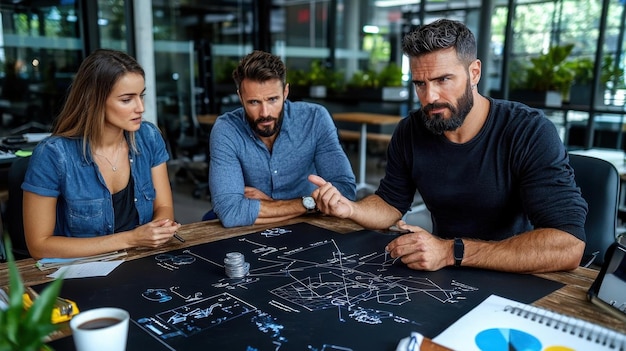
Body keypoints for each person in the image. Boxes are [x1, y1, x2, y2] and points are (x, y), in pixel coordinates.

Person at [310, 19, 588, 274]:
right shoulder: (410, 130)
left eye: (443, 80)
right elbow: (390, 203)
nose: (430, 97)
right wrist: (350, 209)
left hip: (515, 270)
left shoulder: (528, 131)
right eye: (420, 84)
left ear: (474, 73)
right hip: (444, 270)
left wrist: (451, 251)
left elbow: (568, 244)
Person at [22, 48, 181, 259]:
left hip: (142, 259)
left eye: (141, 96)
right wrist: (132, 238)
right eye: (127, 99)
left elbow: (164, 206)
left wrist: (157, 231)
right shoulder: (53, 154)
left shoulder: (148, 136)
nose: (141, 107)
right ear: (94, 101)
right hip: (79, 271)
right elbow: (39, 246)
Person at [209, 50, 356, 228]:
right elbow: (231, 212)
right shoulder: (227, 129)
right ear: (240, 97)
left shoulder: (315, 119)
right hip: (250, 228)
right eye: (254, 102)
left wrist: (271, 204)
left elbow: (345, 193)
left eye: (272, 99)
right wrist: (310, 203)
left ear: (286, 92)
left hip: (304, 224)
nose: (265, 113)